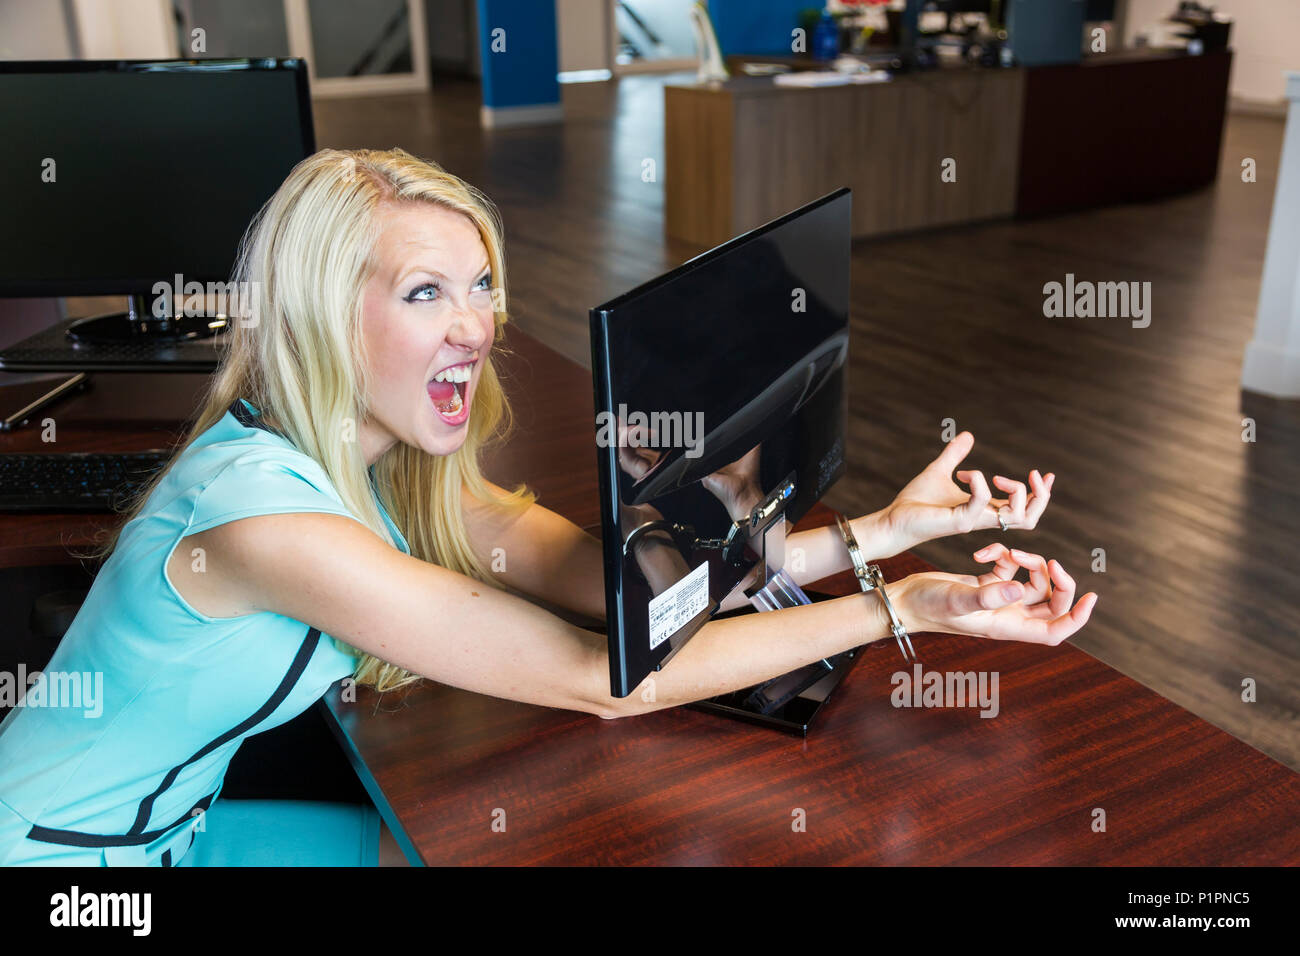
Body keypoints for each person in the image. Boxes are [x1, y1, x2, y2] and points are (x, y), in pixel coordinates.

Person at [0, 147, 1096, 867]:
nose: (476, 325)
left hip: (171, 833)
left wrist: (877, 539)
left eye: (481, 284)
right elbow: (606, 682)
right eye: (425, 291)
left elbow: (636, 604)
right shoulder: (271, 524)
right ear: (323, 317)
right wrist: (895, 609)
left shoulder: (394, 467)